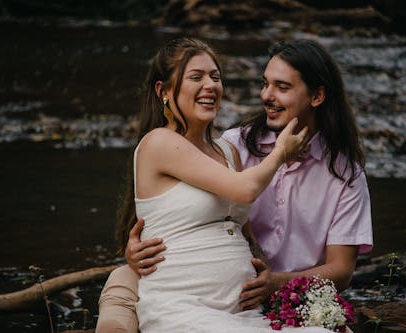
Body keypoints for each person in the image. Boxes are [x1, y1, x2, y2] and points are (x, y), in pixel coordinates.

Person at [96, 37, 330, 333]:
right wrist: (281, 153)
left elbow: (237, 229)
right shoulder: (159, 142)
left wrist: (266, 276)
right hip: (185, 308)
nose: (210, 85)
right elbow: (245, 190)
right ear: (164, 91)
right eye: (196, 77)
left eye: (215, 77)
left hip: (241, 312)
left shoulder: (228, 151)